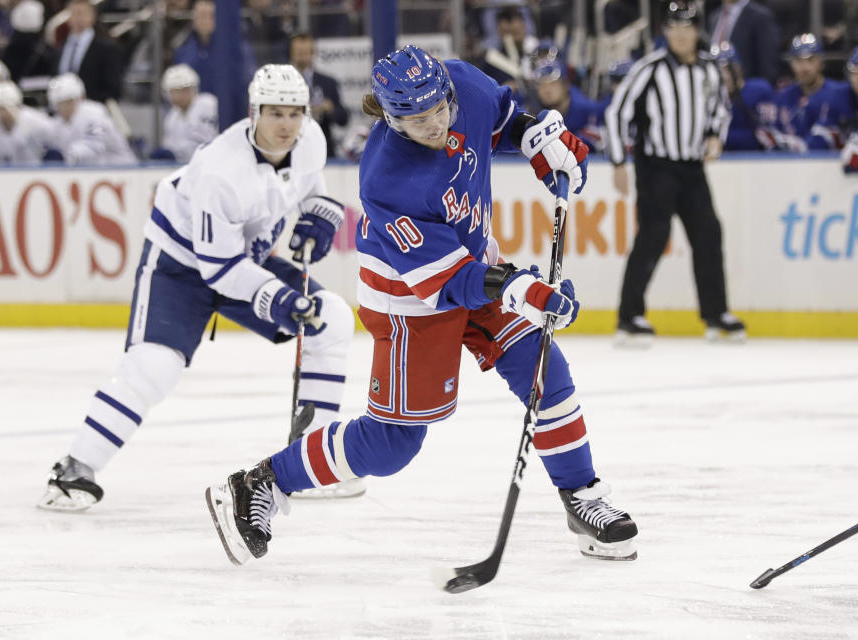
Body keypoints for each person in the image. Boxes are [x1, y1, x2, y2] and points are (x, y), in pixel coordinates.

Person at [205, 45, 639, 566]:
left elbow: (501, 121)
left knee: (545, 369)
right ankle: (263, 482)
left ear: (448, 92)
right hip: (411, 297)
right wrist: (523, 290)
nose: (433, 126)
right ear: (390, 117)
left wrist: (539, 140)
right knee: (392, 446)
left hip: (478, 263)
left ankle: (582, 495)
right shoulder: (387, 179)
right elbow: (451, 280)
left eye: (438, 111)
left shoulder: (465, 84)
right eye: (415, 120)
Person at [38, 64, 358, 511]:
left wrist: (320, 213)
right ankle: (75, 467)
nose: (286, 125)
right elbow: (220, 269)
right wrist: (276, 297)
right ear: (253, 113)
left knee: (333, 319)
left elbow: (309, 184)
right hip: (180, 264)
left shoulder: (312, 140)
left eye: (294, 113)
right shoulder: (220, 171)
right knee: (154, 366)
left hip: (243, 257)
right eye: (275, 114)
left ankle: (315, 460)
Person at [604, 1, 745, 346]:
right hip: (656, 167)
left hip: (692, 167)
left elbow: (721, 110)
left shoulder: (710, 70)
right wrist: (619, 162)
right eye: (673, 28)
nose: (680, 35)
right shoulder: (649, 68)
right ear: (665, 32)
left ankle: (715, 313)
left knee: (709, 234)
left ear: (697, 31)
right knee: (653, 236)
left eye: (686, 28)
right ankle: (629, 317)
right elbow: (616, 114)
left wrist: (715, 135)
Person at [776, 34, 852, 151]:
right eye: (798, 61)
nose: (804, 67)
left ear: (821, 63)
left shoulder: (840, 93)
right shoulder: (783, 97)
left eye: (810, 60)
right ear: (791, 64)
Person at [46, 72, 136, 165]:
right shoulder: (58, 122)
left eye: (68, 101)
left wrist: (68, 155)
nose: (64, 107)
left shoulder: (94, 113)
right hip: (89, 172)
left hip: (120, 169)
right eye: (60, 103)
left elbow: (95, 146)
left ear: (79, 98)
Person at [522, 57, 606, 153]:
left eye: (552, 84)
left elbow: (601, 143)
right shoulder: (531, 112)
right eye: (542, 85)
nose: (547, 90)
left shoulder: (586, 110)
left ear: (565, 85)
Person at [709, 42, 780, 152]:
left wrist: (721, 137)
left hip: (758, 161)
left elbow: (768, 137)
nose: (724, 75)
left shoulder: (758, 91)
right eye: (717, 70)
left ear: (739, 68)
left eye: (729, 68)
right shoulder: (707, 98)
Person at [288, 32, 348, 159]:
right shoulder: (284, 82)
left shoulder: (327, 82)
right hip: (291, 149)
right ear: (292, 53)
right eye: (299, 52)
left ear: (312, 53)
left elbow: (343, 119)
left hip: (323, 149)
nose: (302, 57)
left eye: (306, 52)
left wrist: (330, 109)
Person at [54, 0, 124, 102]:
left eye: (82, 13)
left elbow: (113, 88)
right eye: (74, 13)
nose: (78, 18)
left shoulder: (106, 49)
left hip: (93, 110)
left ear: (92, 17)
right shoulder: (60, 47)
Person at [0, 80, 54, 165]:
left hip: (34, 171)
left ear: (17, 105)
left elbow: (55, 144)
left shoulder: (38, 122)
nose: (4, 113)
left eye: (7, 108)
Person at [707, 0, 780, 84]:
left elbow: (768, 66)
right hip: (717, 91)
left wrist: (759, 93)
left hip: (748, 92)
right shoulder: (714, 17)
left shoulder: (761, 17)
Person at [159, 63, 218, 162]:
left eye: (183, 90)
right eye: (174, 92)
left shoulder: (206, 104)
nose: (178, 96)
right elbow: (168, 145)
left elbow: (203, 144)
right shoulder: (172, 116)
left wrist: (174, 154)